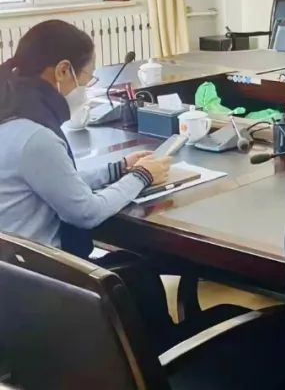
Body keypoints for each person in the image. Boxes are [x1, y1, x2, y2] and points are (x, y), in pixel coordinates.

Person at [0, 20, 178, 350]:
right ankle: (163, 361)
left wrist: (118, 169)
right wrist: (142, 177)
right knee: (138, 277)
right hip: (39, 291)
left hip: (14, 281)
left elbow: (54, 181)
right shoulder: (35, 136)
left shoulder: (12, 115)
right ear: (62, 70)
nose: (87, 87)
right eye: (88, 77)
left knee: (135, 270)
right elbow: (85, 211)